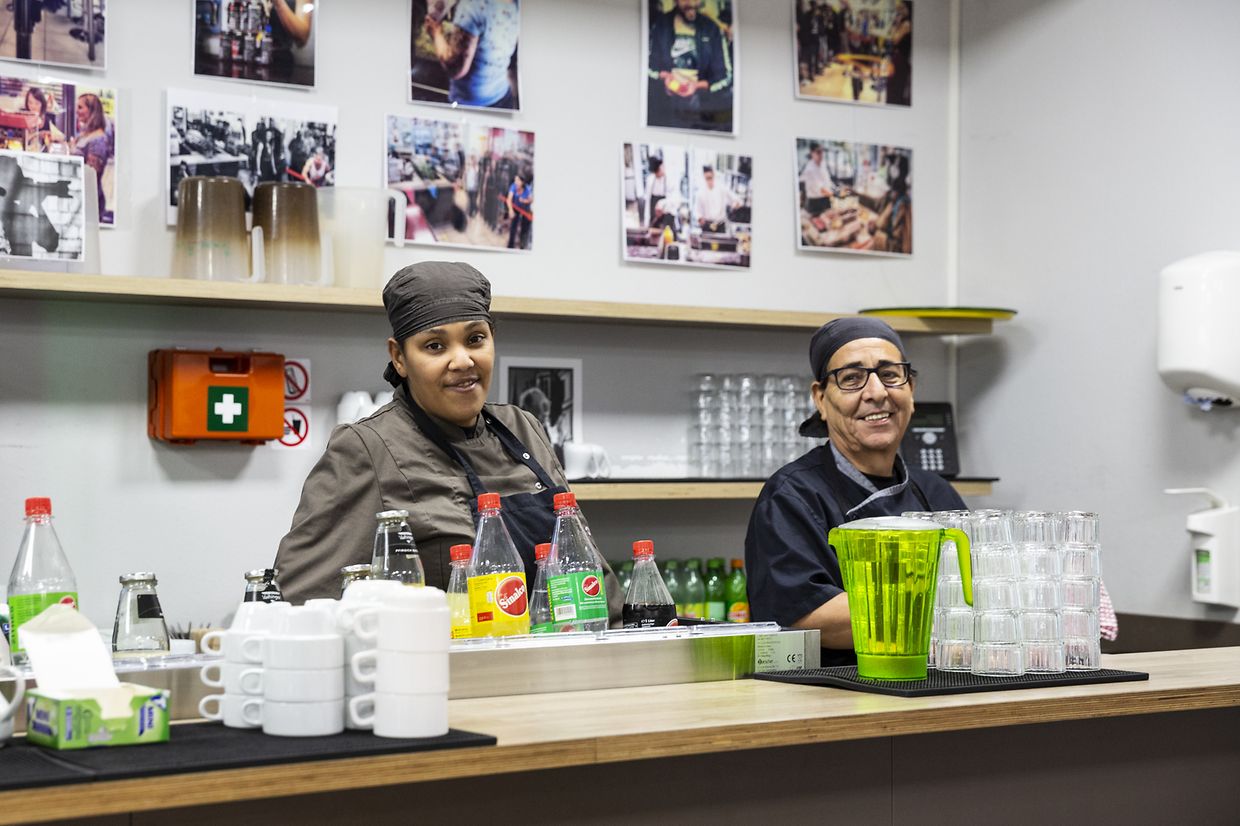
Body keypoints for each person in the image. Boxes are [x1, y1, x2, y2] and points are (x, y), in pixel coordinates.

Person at [274, 262, 624, 621]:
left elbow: (589, 571)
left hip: (564, 651)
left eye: (475, 339)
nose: (462, 360)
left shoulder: (523, 427)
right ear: (399, 358)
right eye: (435, 346)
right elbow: (301, 600)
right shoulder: (367, 448)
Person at [745, 318, 966, 666]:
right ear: (820, 398)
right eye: (851, 378)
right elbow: (806, 615)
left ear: (911, 389)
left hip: (937, 682)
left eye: (890, 375)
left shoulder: (936, 493)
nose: (876, 392)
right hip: (836, 689)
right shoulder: (791, 496)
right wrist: (945, 612)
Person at [646, 0, 733, 132]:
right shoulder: (660, 25)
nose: (691, 3)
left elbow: (726, 76)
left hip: (700, 108)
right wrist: (664, 77)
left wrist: (698, 86)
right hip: (664, 107)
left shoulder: (712, 29)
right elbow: (646, 66)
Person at [425, 0, 520, 109]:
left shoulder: (472, 5)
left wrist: (435, 32)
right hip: (502, 94)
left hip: (470, 103)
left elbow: (455, 68)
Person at [69, 93, 112, 221]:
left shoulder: (99, 139)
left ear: (92, 111)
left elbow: (91, 174)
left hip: (89, 202)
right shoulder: (86, 133)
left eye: (80, 107)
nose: (76, 111)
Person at [693, 165, 740, 233]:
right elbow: (697, 210)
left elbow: (736, 200)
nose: (709, 181)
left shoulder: (722, 188)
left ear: (713, 175)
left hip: (720, 225)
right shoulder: (700, 192)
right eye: (706, 178)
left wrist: (735, 204)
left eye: (710, 178)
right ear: (704, 177)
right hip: (707, 226)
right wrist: (699, 218)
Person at [799, 142, 834, 216]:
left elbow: (827, 180)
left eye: (822, 151)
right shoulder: (809, 169)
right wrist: (834, 195)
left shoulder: (823, 163)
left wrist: (833, 190)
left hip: (826, 200)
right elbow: (821, 189)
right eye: (818, 152)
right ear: (812, 153)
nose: (821, 154)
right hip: (815, 203)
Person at [22, 88, 62, 152]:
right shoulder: (23, 118)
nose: (33, 106)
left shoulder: (47, 120)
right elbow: (21, 141)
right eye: (30, 102)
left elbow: (61, 138)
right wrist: (38, 134)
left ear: (42, 104)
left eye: (37, 103)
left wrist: (51, 135)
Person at [506, 170, 533, 249]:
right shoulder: (513, 186)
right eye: (515, 180)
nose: (516, 182)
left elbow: (531, 200)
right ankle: (510, 246)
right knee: (513, 226)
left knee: (524, 227)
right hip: (516, 207)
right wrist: (510, 210)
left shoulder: (527, 188)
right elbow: (509, 199)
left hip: (525, 208)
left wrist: (524, 201)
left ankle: (522, 245)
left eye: (518, 180)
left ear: (522, 182)